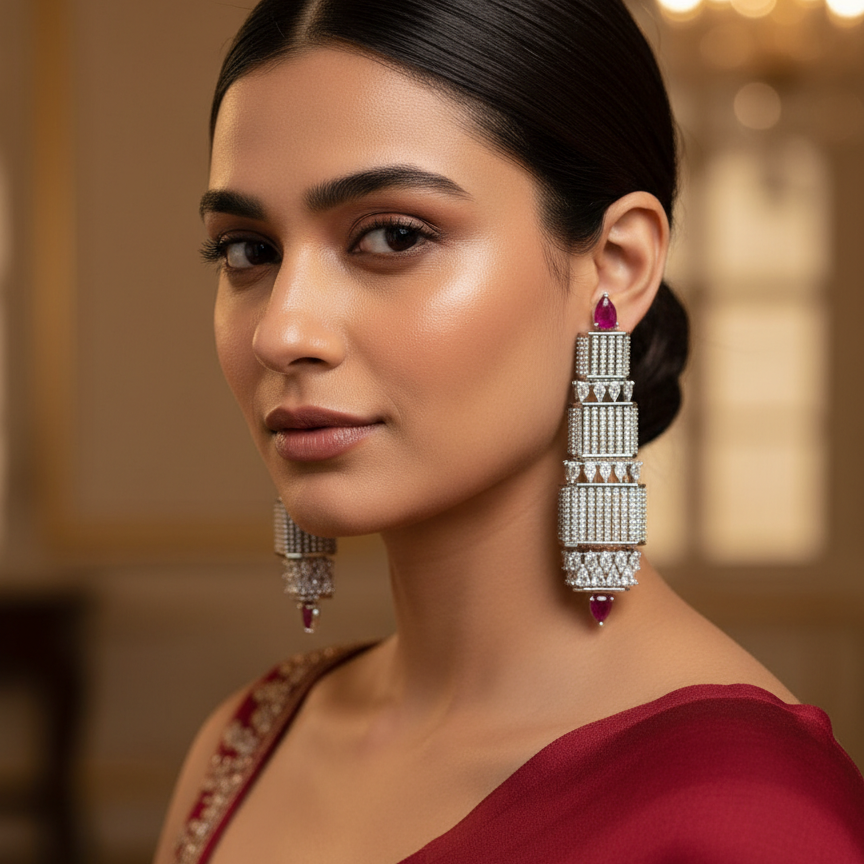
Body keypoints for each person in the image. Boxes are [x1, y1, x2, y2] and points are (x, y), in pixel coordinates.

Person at [153, 1, 864, 862]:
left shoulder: (747, 815)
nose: (282, 331)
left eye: (392, 234)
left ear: (617, 265)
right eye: (246, 251)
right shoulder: (246, 745)